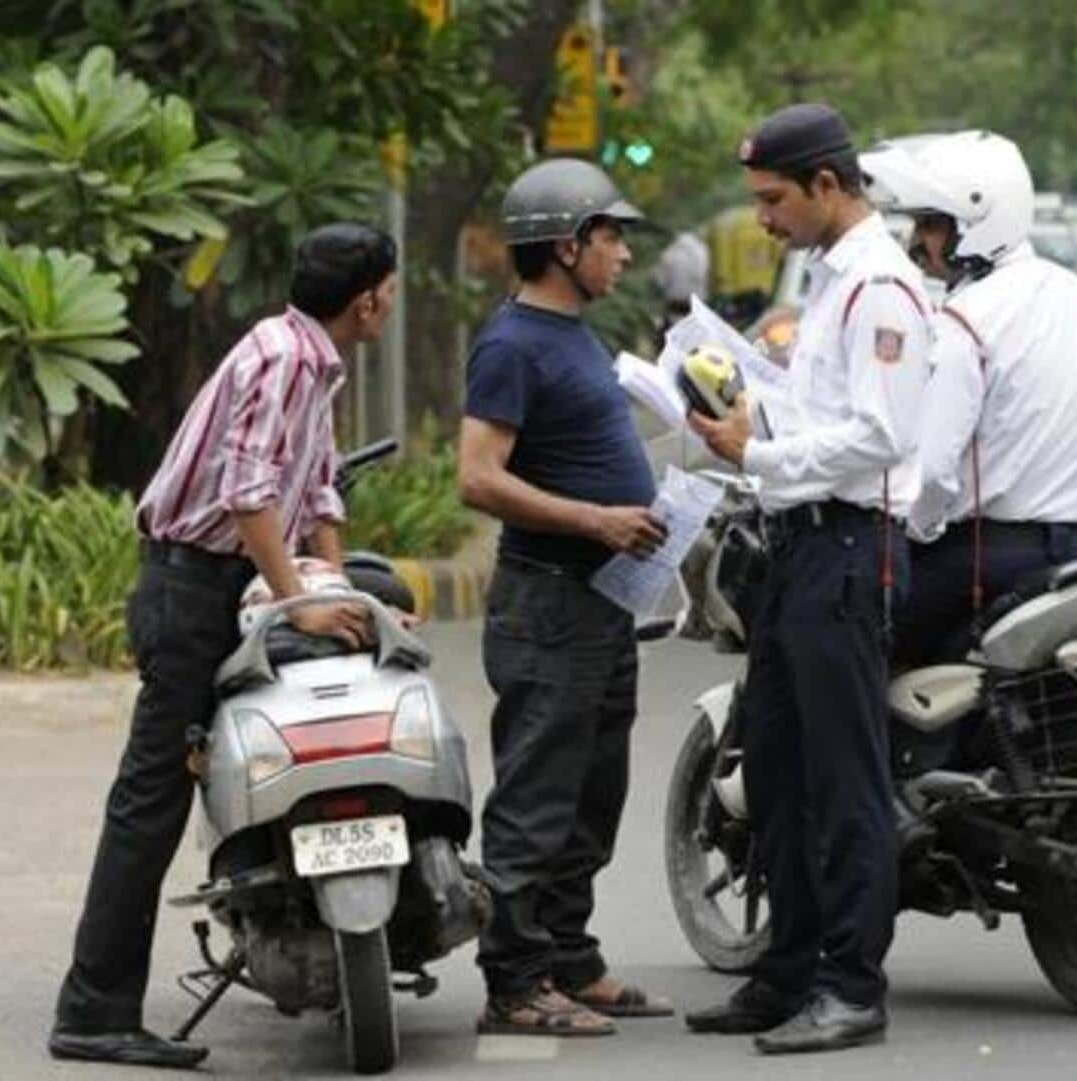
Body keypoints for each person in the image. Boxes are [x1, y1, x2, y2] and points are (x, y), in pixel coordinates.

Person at [49, 224, 396, 1070]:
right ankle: (93, 1010)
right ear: (369, 299)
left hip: (216, 582)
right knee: (152, 796)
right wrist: (297, 607)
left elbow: (314, 484)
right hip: (191, 589)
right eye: (390, 289)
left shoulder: (311, 361)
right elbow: (248, 496)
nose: (391, 301)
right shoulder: (282, 359)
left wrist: (334, 588)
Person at [683, 103, 931, 1056]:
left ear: (828, 185)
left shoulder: (882, 288)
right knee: (776, 772)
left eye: (773, 198)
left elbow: (882, 436)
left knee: (843, 778)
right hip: (797, 547)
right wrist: (748, 402)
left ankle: (851, 985)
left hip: (847, 547)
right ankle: (784, 971)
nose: (763, 219)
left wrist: (760, 454)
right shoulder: (830, 281)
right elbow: (819, 406)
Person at [456, 158, 674, 1038]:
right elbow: (477, 477)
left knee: (594, 789)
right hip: (547, 602)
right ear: (565, 244)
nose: (622, 253)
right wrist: (595, 520)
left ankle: (569, 959)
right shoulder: (511, 344)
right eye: (611, 236)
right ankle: (514, 980)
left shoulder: (574, 333)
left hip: (599, 604)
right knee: (538, 793)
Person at [881, 131, 1077, 667]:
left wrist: (909, 531)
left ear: (972, 224)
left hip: (986, 560)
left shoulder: (966, 319)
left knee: (854, 645)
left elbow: (935, 469)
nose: (917, 241)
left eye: (930, 224)